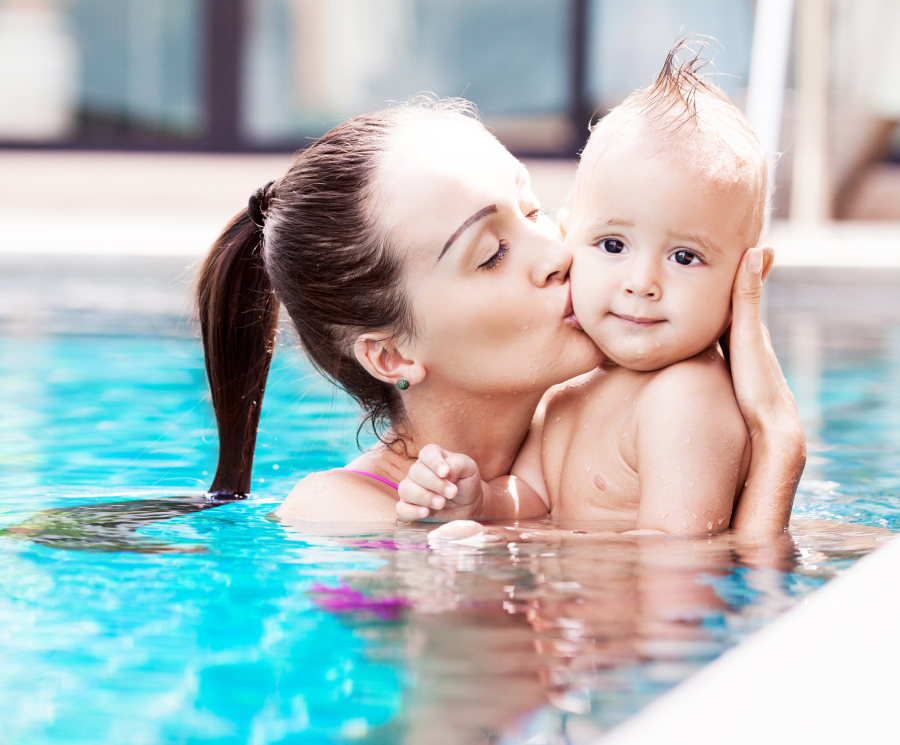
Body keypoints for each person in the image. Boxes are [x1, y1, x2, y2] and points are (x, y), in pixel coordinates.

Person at [195, 97, 804, 533]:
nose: (559, 252)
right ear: (393, 355)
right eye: (491, 255)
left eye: (534, 210)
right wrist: (778, 446)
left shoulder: (607, 416)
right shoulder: (338, 514)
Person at [395, 49, 778, 536]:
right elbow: (533, 499)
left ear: (748, 275)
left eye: (684, 257)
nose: (641, 283)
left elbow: (678, 567)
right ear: (568, 237)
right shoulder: (568, 388)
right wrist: (481, 500)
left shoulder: (684, 397)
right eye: (613, 245)